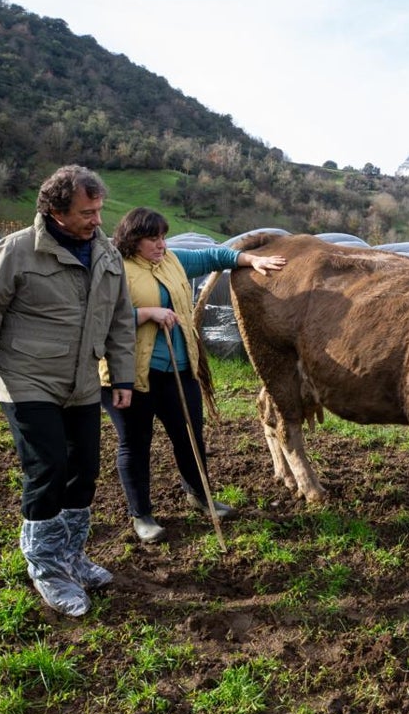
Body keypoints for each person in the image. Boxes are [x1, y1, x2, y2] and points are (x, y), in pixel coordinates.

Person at [0, 165, 136, 618]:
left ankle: (71, 555)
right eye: (86, 212)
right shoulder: (16, 252)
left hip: (82, 382)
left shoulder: (108, 255)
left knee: (85, 469)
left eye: (99, 210)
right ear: (55, 211)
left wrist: (123, 377)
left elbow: (119, 321)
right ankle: (46, 567)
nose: (97, 220)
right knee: (49, 468)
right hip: (26, 380)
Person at [101, 207, 285, 543]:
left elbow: (212, 256)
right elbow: (98, 316)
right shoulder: (115, 268)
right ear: (132, 240)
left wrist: (248, 261)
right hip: (130, 373)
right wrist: (144, 313)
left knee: (189, 435)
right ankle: (141, 515)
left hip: (179, 368)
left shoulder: (172, 260)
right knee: (135, 444)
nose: (160, 244)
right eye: (151, 238)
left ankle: (199, 496)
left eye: (162, 236)